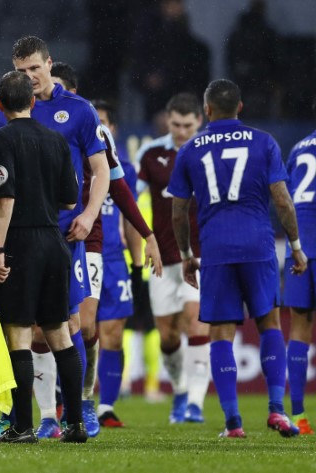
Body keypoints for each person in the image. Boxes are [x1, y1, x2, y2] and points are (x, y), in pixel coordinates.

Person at [0, 37, 160, 441]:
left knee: (74, 322)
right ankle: (48, 416)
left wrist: (89, 215)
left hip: (66, 233)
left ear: (49, 64)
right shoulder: (1, 110)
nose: (29, 78)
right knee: (43, 330)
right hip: (29, 231)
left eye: (34, 70)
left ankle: (81, 408)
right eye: (21, 72)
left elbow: (102, 170)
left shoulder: (78, 110)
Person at [169, 79, 305, 438]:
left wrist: (186, 255)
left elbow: (179, 213)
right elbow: (282, 200)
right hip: (258, 246)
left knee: (221, 333)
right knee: (270, 324)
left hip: (216, 250)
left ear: (207, 111)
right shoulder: (264, 142)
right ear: (240, 107)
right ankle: (277, 410)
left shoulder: (190, 149)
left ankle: (233, 424)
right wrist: (295, 245)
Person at [0, 70, 85, 443]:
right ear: (32, 102)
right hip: (54, 242)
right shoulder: (56, 140)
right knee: (59, 332)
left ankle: (22, 426)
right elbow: (70, 200)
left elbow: (4, 198)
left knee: (20, 335)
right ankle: (75, 423)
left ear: (0, 105)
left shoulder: (1, 138)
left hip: (21, 242)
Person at [136, 93, 211, 423]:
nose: (181, 131)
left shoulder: (210, 152)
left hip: (201, 256)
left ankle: (195, 403)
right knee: (167, 335)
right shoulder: (151, 155)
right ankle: (180, 389)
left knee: (195, 322)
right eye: (176, 124)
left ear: (200, 122)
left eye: (188, 125)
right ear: (168, 120)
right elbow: (131, 201)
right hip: (163, 257)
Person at [91, 99, 144, 427]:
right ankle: (68, 402)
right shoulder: (74, 162)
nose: (98, 128)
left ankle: (106, 406)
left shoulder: (126, 170)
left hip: (113, 260)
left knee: (112, 335)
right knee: (77, 332)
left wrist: (137, 265)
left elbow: (129, 218)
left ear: (113, 129)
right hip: (82, 254)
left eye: (104, 122)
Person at [282, 101, 316, 435]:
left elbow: (286, 199)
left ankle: (300, 417)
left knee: (300, 329)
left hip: (301, 246)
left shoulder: (299, 147)